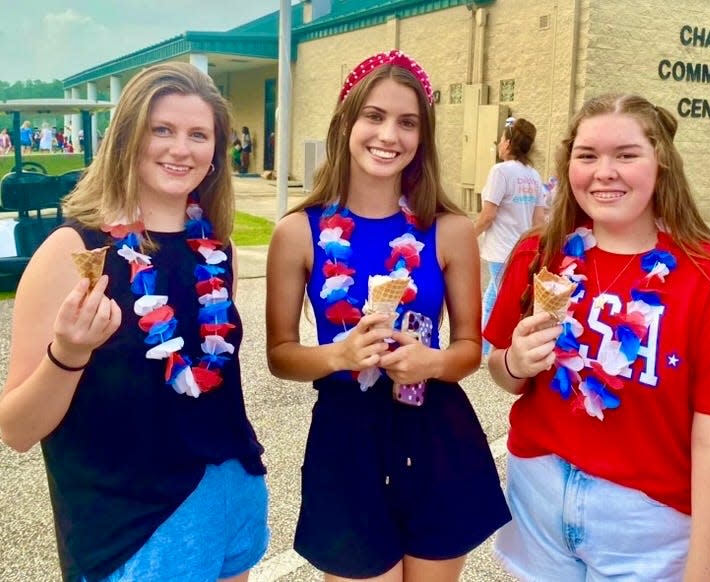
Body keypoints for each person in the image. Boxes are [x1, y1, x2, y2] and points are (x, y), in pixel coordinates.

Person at [483, 93, 710, 581]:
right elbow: (502, 371)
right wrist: (515, 361)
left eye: (626, 154)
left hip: (648, 519)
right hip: (536, 491)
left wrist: (706, 573)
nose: (604, 171)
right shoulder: (539, 254)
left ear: (661, 162)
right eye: (587, 155)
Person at [0, 62, 269, 582]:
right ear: (128, 137)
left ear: (216, 151)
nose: (180, 149)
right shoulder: (72, 251)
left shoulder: (218, 250)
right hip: (132, 530)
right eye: (161, 130)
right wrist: (68, 354)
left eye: (198, 134)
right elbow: (15, 429)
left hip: (231, 500)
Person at [266, 49, 510, 582]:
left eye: (407, 122)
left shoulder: (450, 229)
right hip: (346, 437)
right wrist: (339, 354)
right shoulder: (296, 232)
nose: (388, 135)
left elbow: (471, 347)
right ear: (346, 122)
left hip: (434, 431)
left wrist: (433, 363)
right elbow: (281, 355)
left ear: (422, 137)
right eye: (373, 116)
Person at [474, 116, 547, 358]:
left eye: (501, 140)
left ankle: (487, 350)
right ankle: (490, 346)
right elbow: (539, 221)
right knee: (496, 295)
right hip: (521, 250)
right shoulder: (534, 176)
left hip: (500, 249)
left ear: (507, 143)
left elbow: (488, 214)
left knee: (496, 300)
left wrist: (467, 236)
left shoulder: (500, 171)